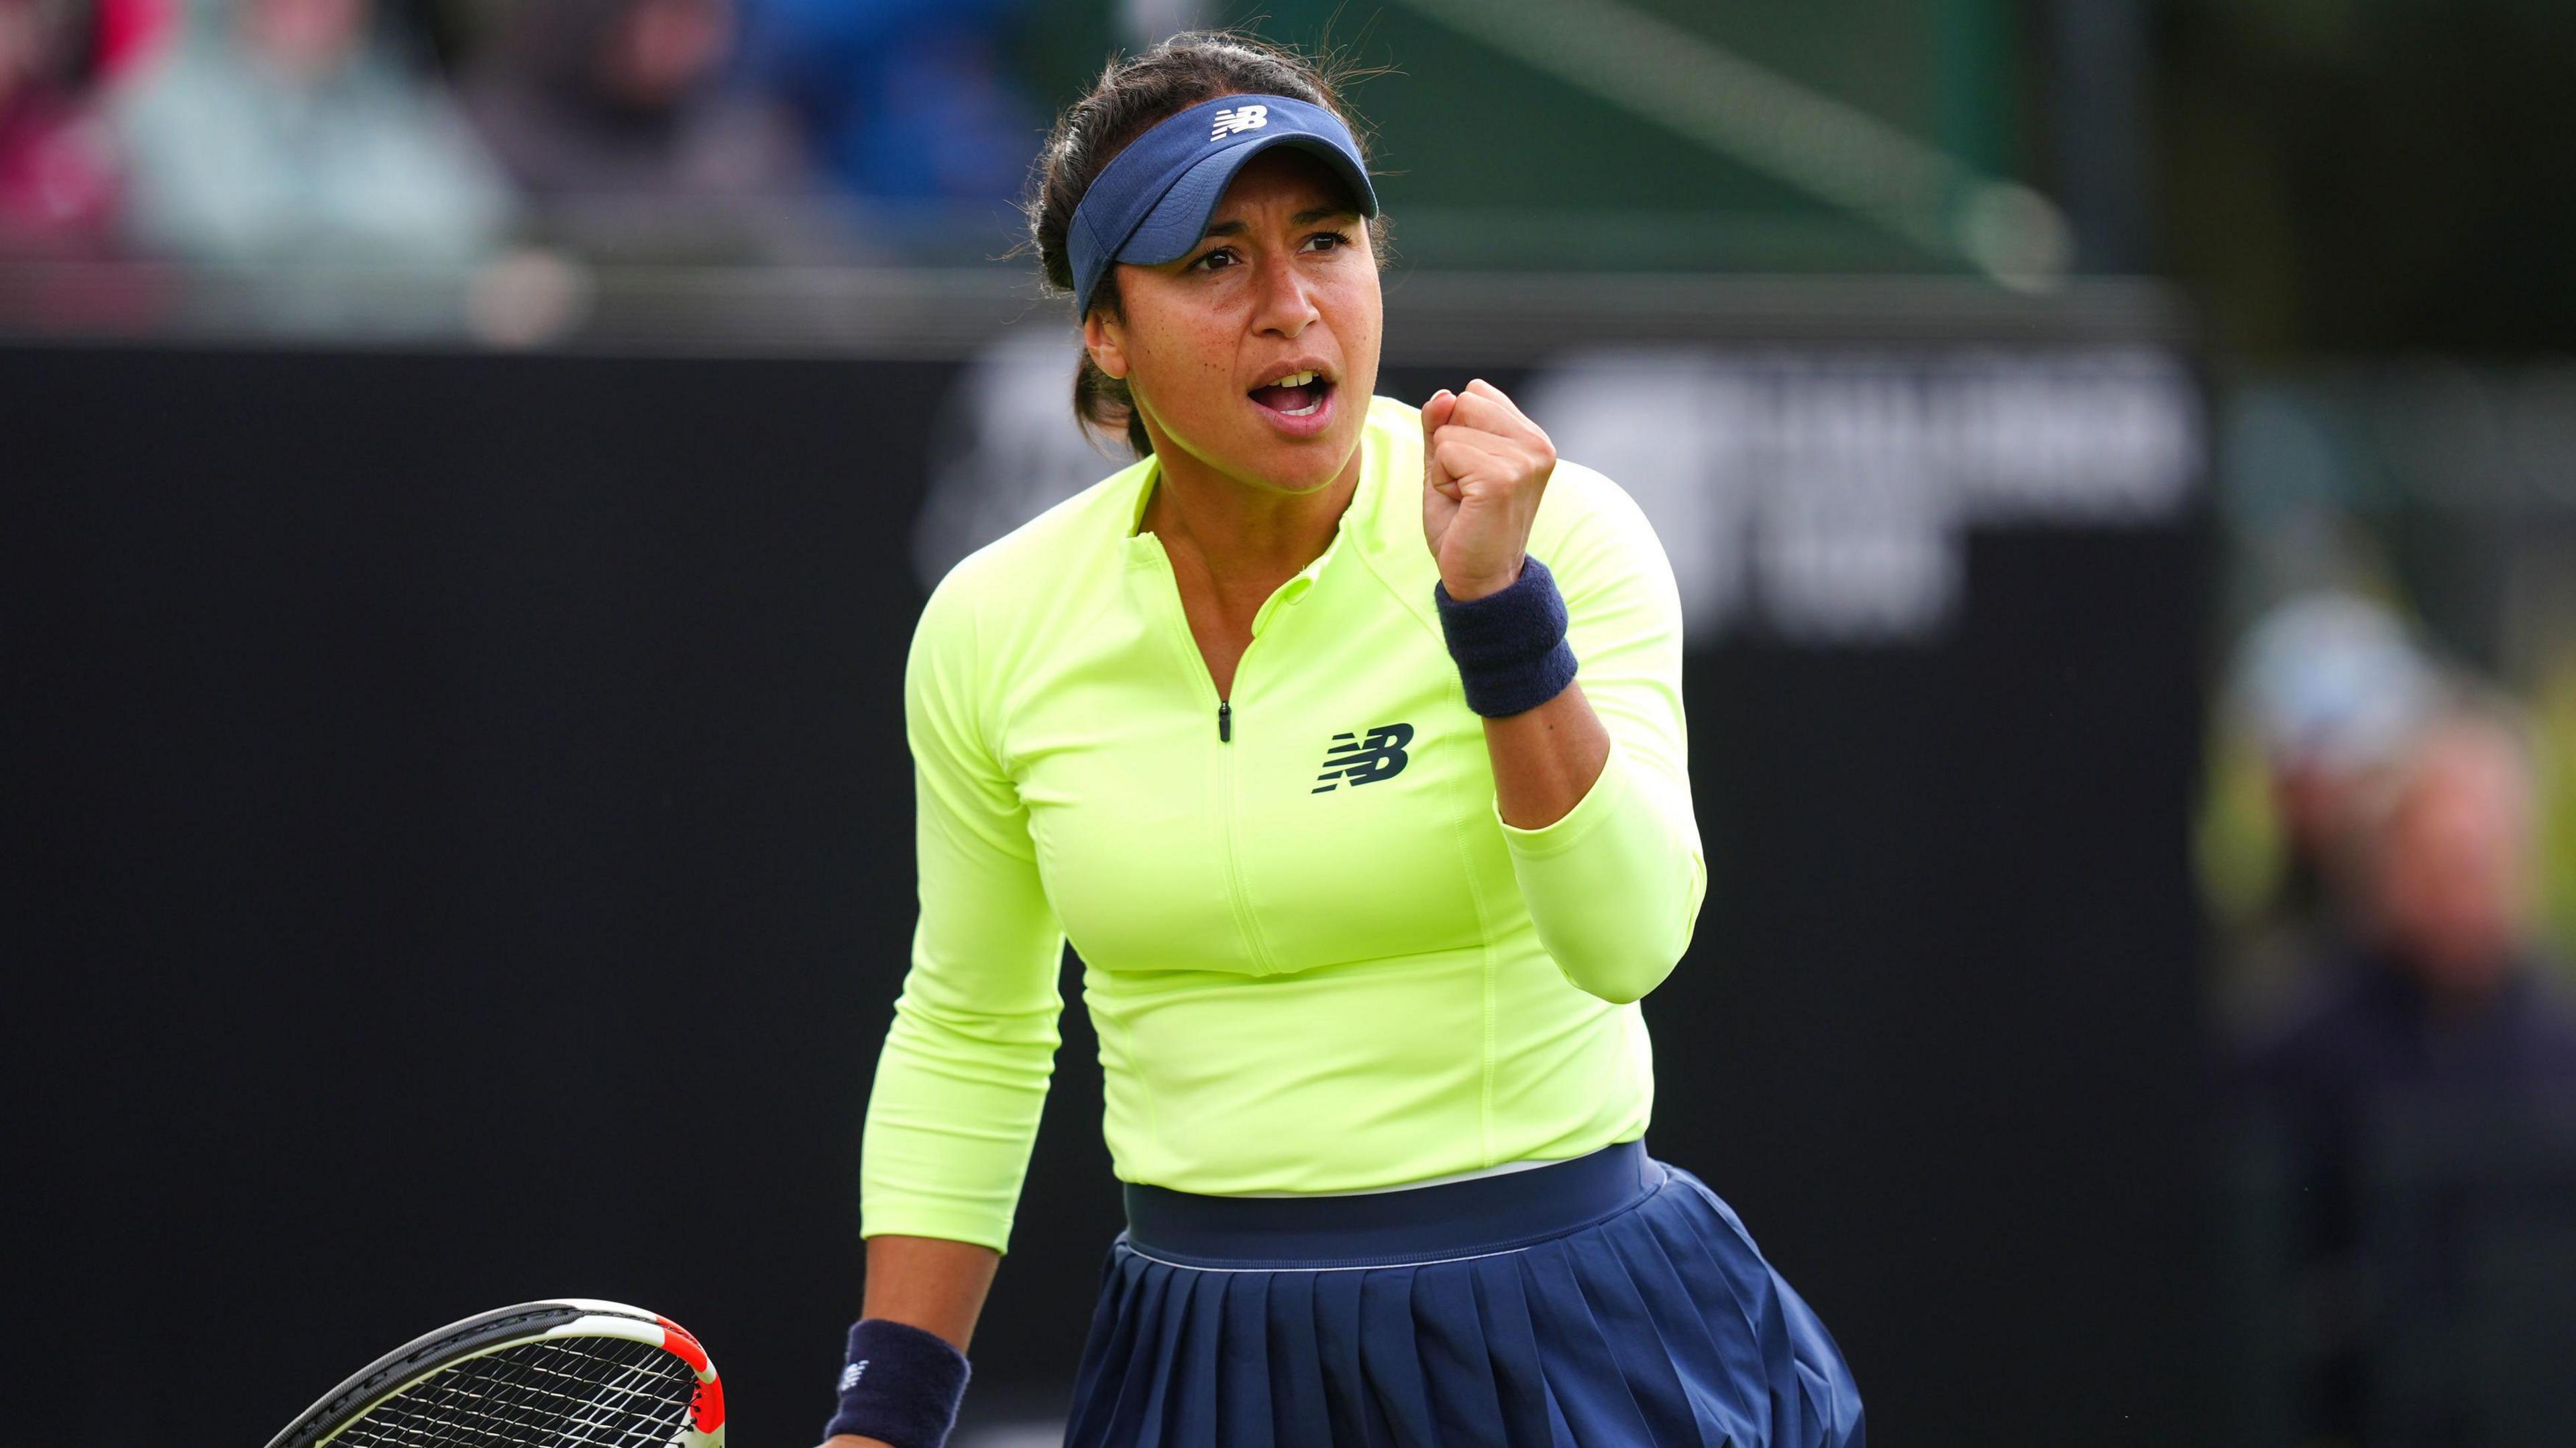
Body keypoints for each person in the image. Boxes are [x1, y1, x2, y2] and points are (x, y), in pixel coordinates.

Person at [818, 33, 1864, 1448]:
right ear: (1106, 334)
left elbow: (1629, 938)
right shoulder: (996, 622)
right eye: (1214, 261)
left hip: (1562, 1335)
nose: (1292, 305)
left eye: (1327, 239)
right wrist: (885, 1418)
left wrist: (1497, 615)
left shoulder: (1557, 534)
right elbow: (972, 1027)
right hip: (1200, 1350)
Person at [2237, 700, 2576, 1442]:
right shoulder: (2298, 1046)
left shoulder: (2560, 1049)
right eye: (2443, 859)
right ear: (2392, 862)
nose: (2466, 887)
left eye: (2484, 857)